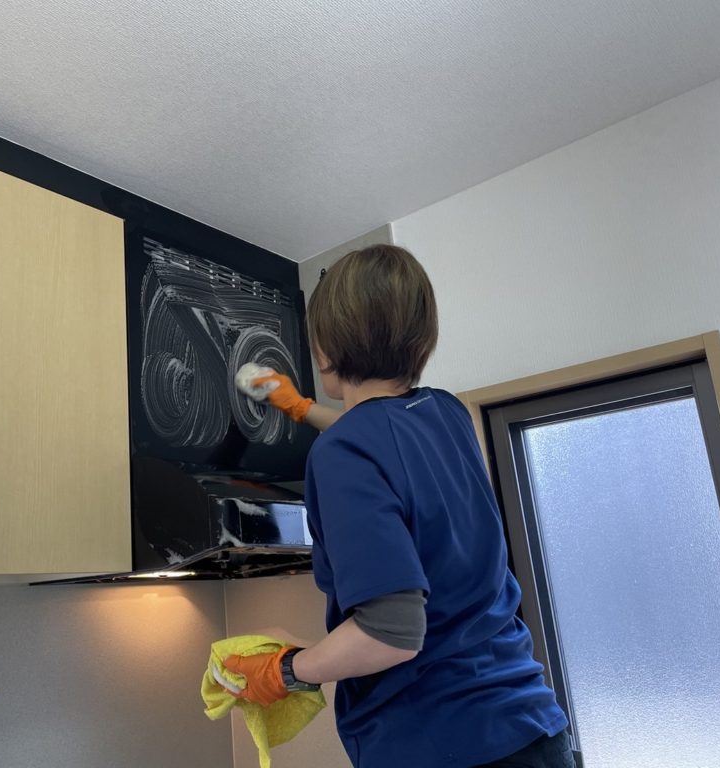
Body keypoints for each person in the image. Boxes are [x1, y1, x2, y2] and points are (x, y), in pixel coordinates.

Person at [223, 244, 574, 768]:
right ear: (422, 339)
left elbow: (391, 633)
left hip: (443, 743)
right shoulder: (446, 413)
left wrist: (286, 671)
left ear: (324, 349)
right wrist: (298, 407)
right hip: (532, 727)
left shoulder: (343, 454)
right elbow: (384, 434)